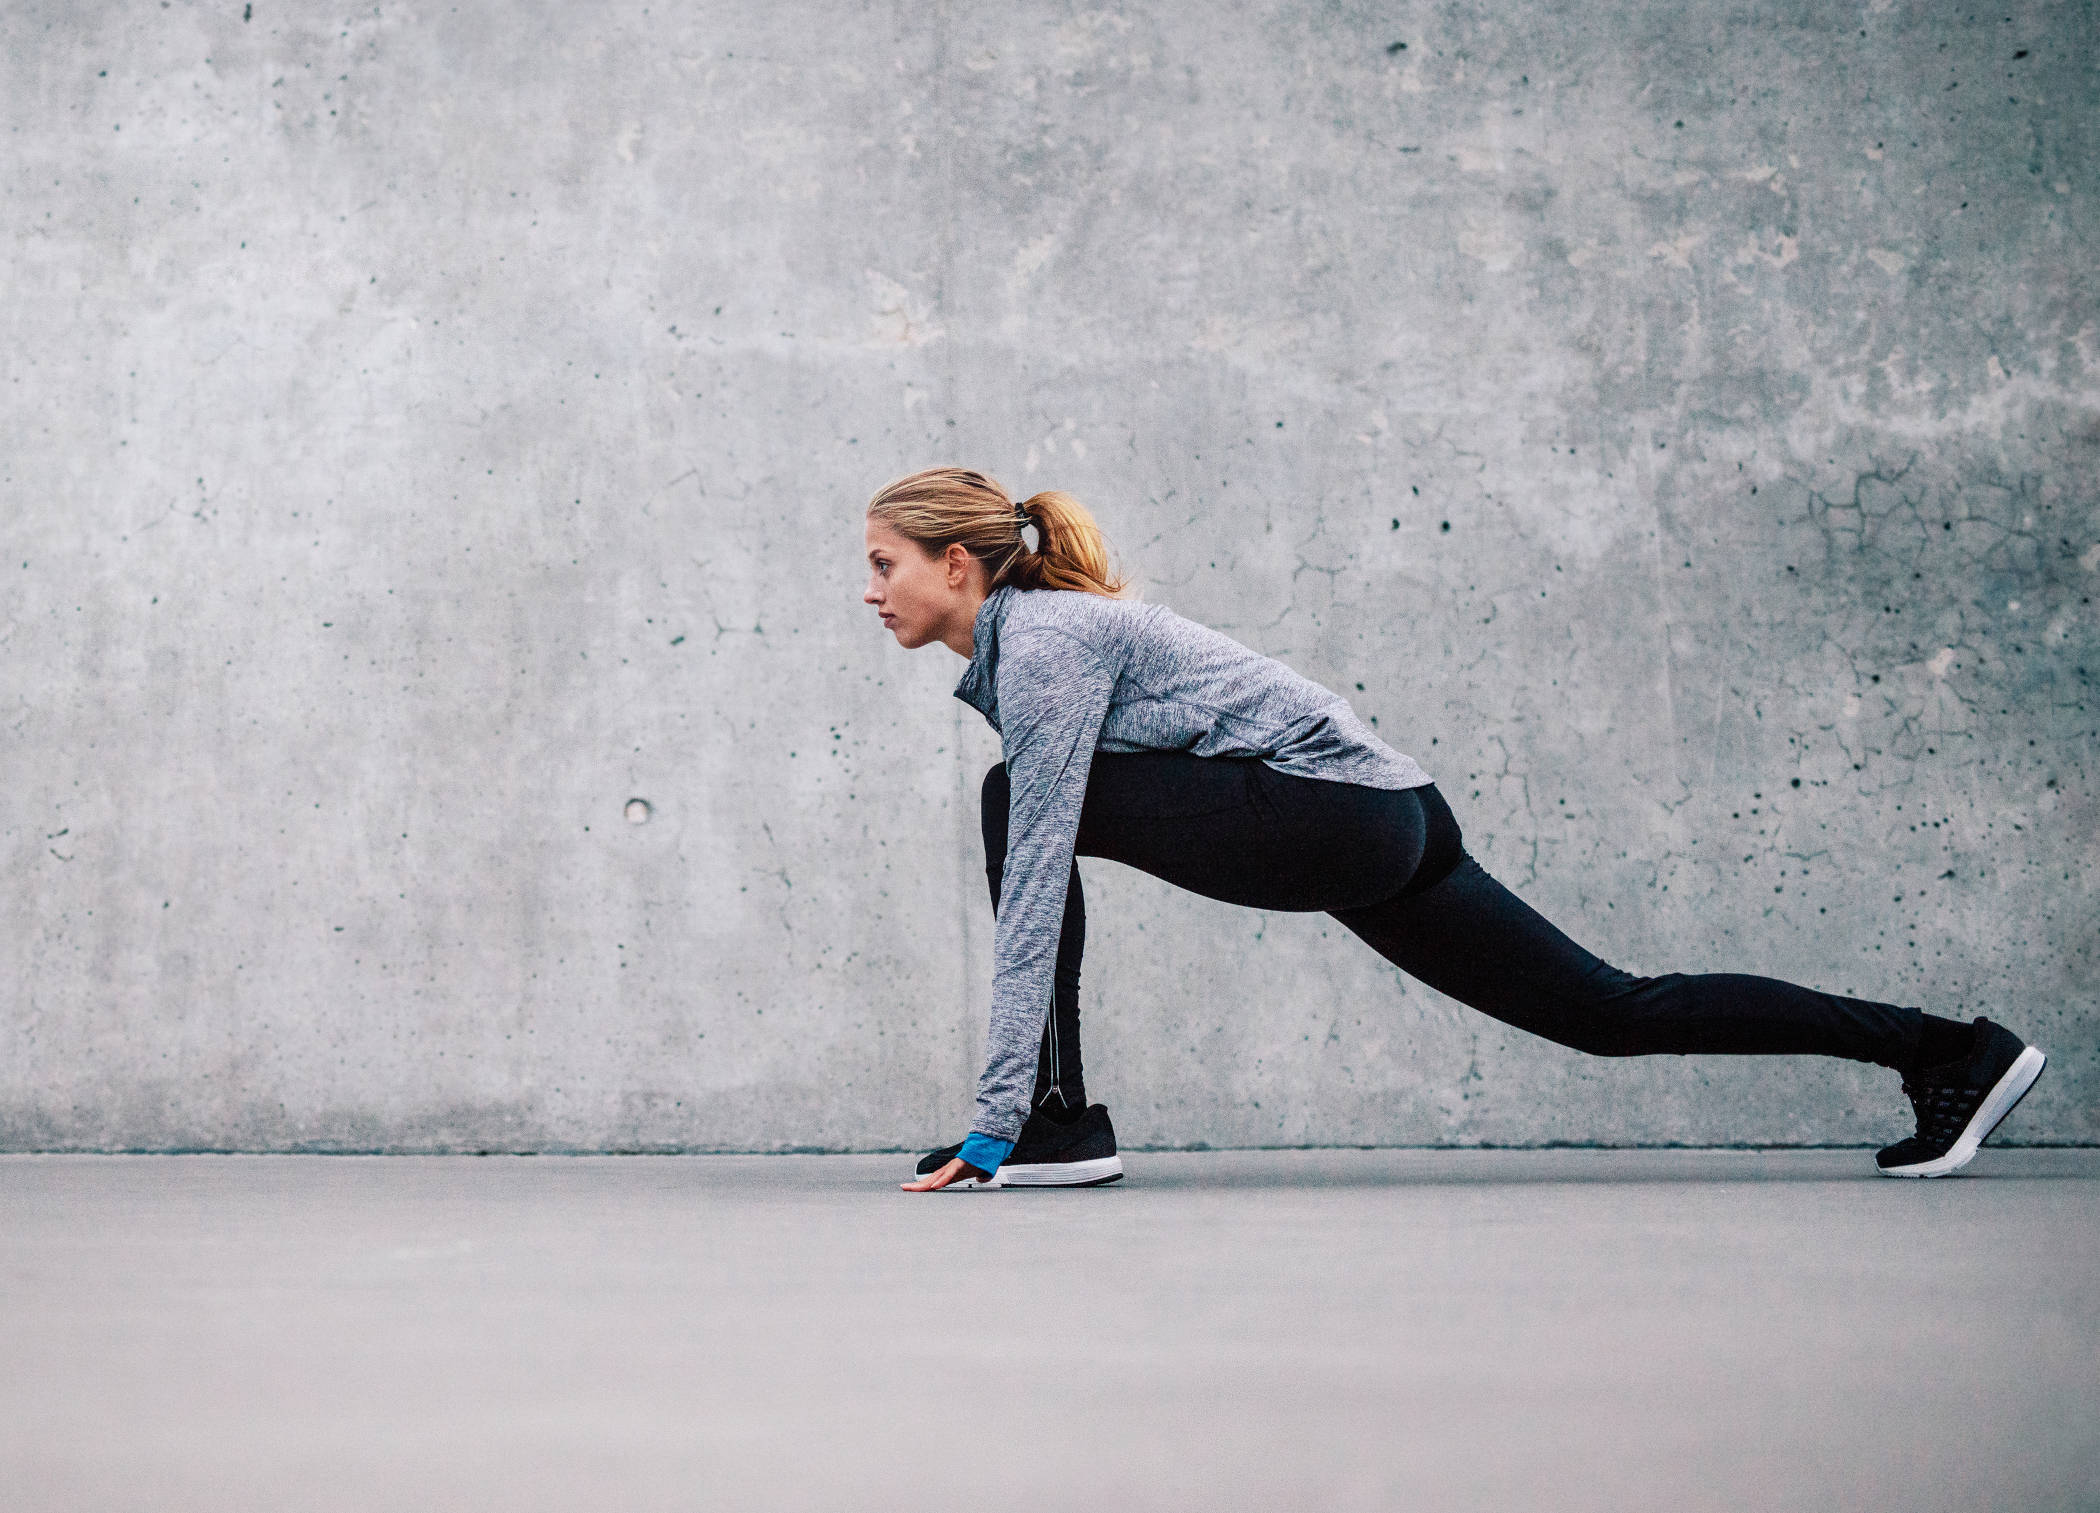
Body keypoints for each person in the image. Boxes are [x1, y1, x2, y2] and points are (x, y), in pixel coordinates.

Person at [860, 467, 2049, 1192]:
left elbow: (1031, 891)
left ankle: (1055, 1125)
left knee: (1018, 803)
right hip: (1389, 817)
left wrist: (992, 1119)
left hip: (1337, 816)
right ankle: (1948, 1052)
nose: (870, 590)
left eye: (884, 564)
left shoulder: (1050, 646)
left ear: (958, 566)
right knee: (1605, 1011)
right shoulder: (1046, 639)